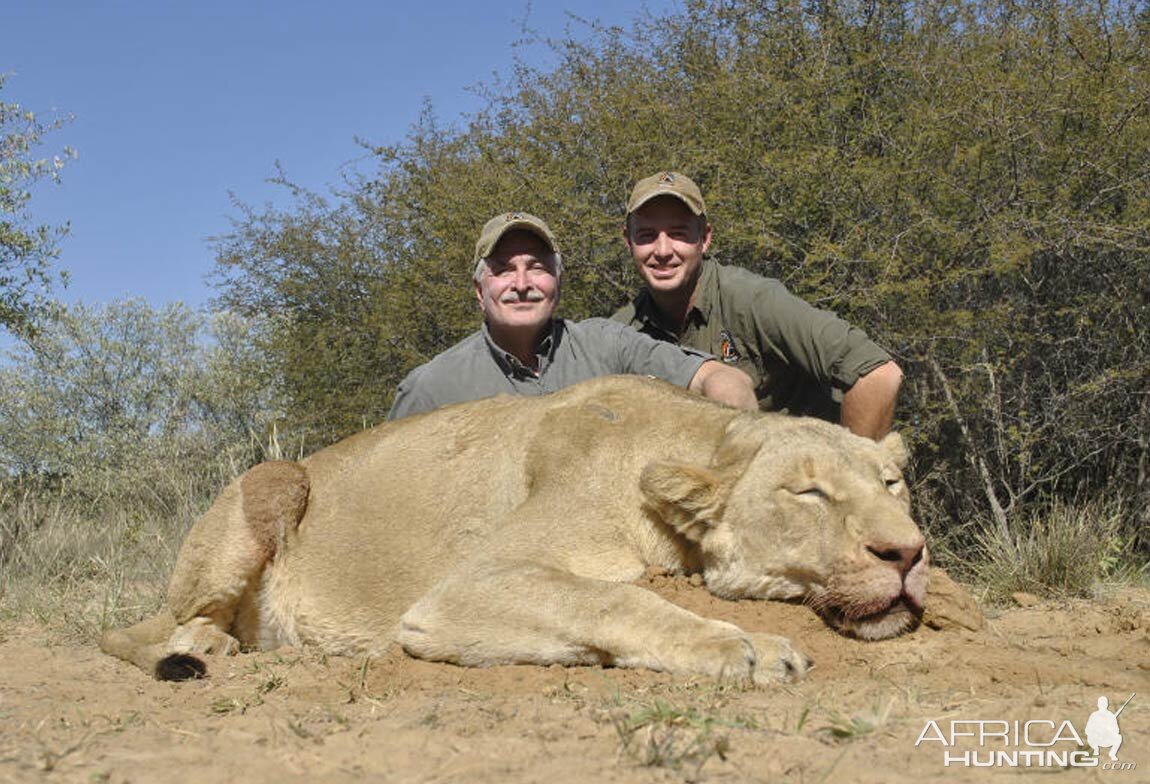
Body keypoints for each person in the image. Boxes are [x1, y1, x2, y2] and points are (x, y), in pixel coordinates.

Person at [612, 171, 904, 440]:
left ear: (705, 238)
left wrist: (849, 479)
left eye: (678, 233)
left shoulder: (753, 300)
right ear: (628, 242)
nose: (663, 251)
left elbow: (879, 375)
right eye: (647, 235)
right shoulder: (618, 335)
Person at [387, 211, 756, 420]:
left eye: (536, 267)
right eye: (502, 269)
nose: (521, 283)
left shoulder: (606, 345)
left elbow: (722, 380)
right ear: (479, 290)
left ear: (558, 283)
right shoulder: (432, 388)